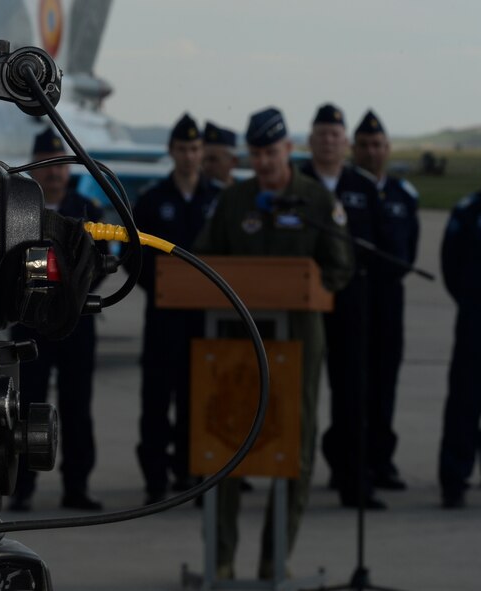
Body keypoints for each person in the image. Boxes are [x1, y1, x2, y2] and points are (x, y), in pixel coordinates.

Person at [194, 107, 354, 579]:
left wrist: (304, 284)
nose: (263, 163)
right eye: (257, 154)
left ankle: (273, 560)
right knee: (224, 447)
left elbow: (340, 267)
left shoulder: (315, 201)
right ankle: (220, 560)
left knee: (295, 452)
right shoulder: (234, 200)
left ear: (289, 149)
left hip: (298, 343)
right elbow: (202, 259)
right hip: (235, 343)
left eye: (271, 153)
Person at [9, 128, 105, 512]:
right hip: (31, 322)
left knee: (77, 406)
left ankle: (77, 486)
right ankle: (22, 487)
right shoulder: (21, 213)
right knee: (26, 407)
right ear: (35, 172)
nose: (54, 175)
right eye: (47, 168)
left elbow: (97, 265)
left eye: (60, 167)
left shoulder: (88, 211)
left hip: (77, 324)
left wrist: (65, 294)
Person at [128, 113, 219, 505]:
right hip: (163, 319)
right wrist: (165, 288)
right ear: (171, 152)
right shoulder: (152, 200)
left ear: (202, 153)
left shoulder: (218, 199)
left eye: (195, 149)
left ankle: (191, 471)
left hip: (204, 317)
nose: (188, 156)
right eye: (182, 149)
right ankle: (155, 478)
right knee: (156, 400)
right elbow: (136, 258)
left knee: (196, 397)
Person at [300, 103, 386, 509]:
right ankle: (292, 476)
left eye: (336, 135)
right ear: (310, 141)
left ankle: (353, 480)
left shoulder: (365, 188)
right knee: (297, 392)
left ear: (346, 142)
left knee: (352, 394)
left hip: (352, 305)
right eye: (322, 134)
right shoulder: (295, 184)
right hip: (302, 303)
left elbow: (382, 249)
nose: (329, 141)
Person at [352, 110, 419, 490]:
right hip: (355, 298)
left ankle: (382, 460)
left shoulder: (403, 195)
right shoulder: (346, 190)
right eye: (363, 145)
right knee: (354, 385)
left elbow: (409, 250)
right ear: (354, 149)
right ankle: (353, 459)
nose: (371, 152)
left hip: (389, 299)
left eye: (377, 145)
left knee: (385, 382)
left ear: (388, 149)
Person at [438, 134, 481, 508]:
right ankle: (454, 477)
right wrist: (472, 301)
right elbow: (451, 265)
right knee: (465, 398)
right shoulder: (468, 210)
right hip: (478, 319)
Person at [202, 121, 239, 189]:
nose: (206, 165)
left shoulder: (246, 193)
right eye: (203, 160)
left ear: (233, 161)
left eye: (213, 159)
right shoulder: (193, 194)